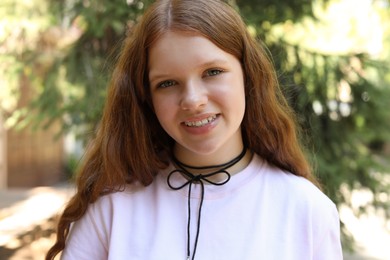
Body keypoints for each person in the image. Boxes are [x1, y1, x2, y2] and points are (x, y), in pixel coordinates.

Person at [46, 0, 343, 259]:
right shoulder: (110, 209)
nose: (193, 100)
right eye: (167, 83)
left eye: (212, 72)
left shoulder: (306, 210)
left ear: (247, 74)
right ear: (147, 98)